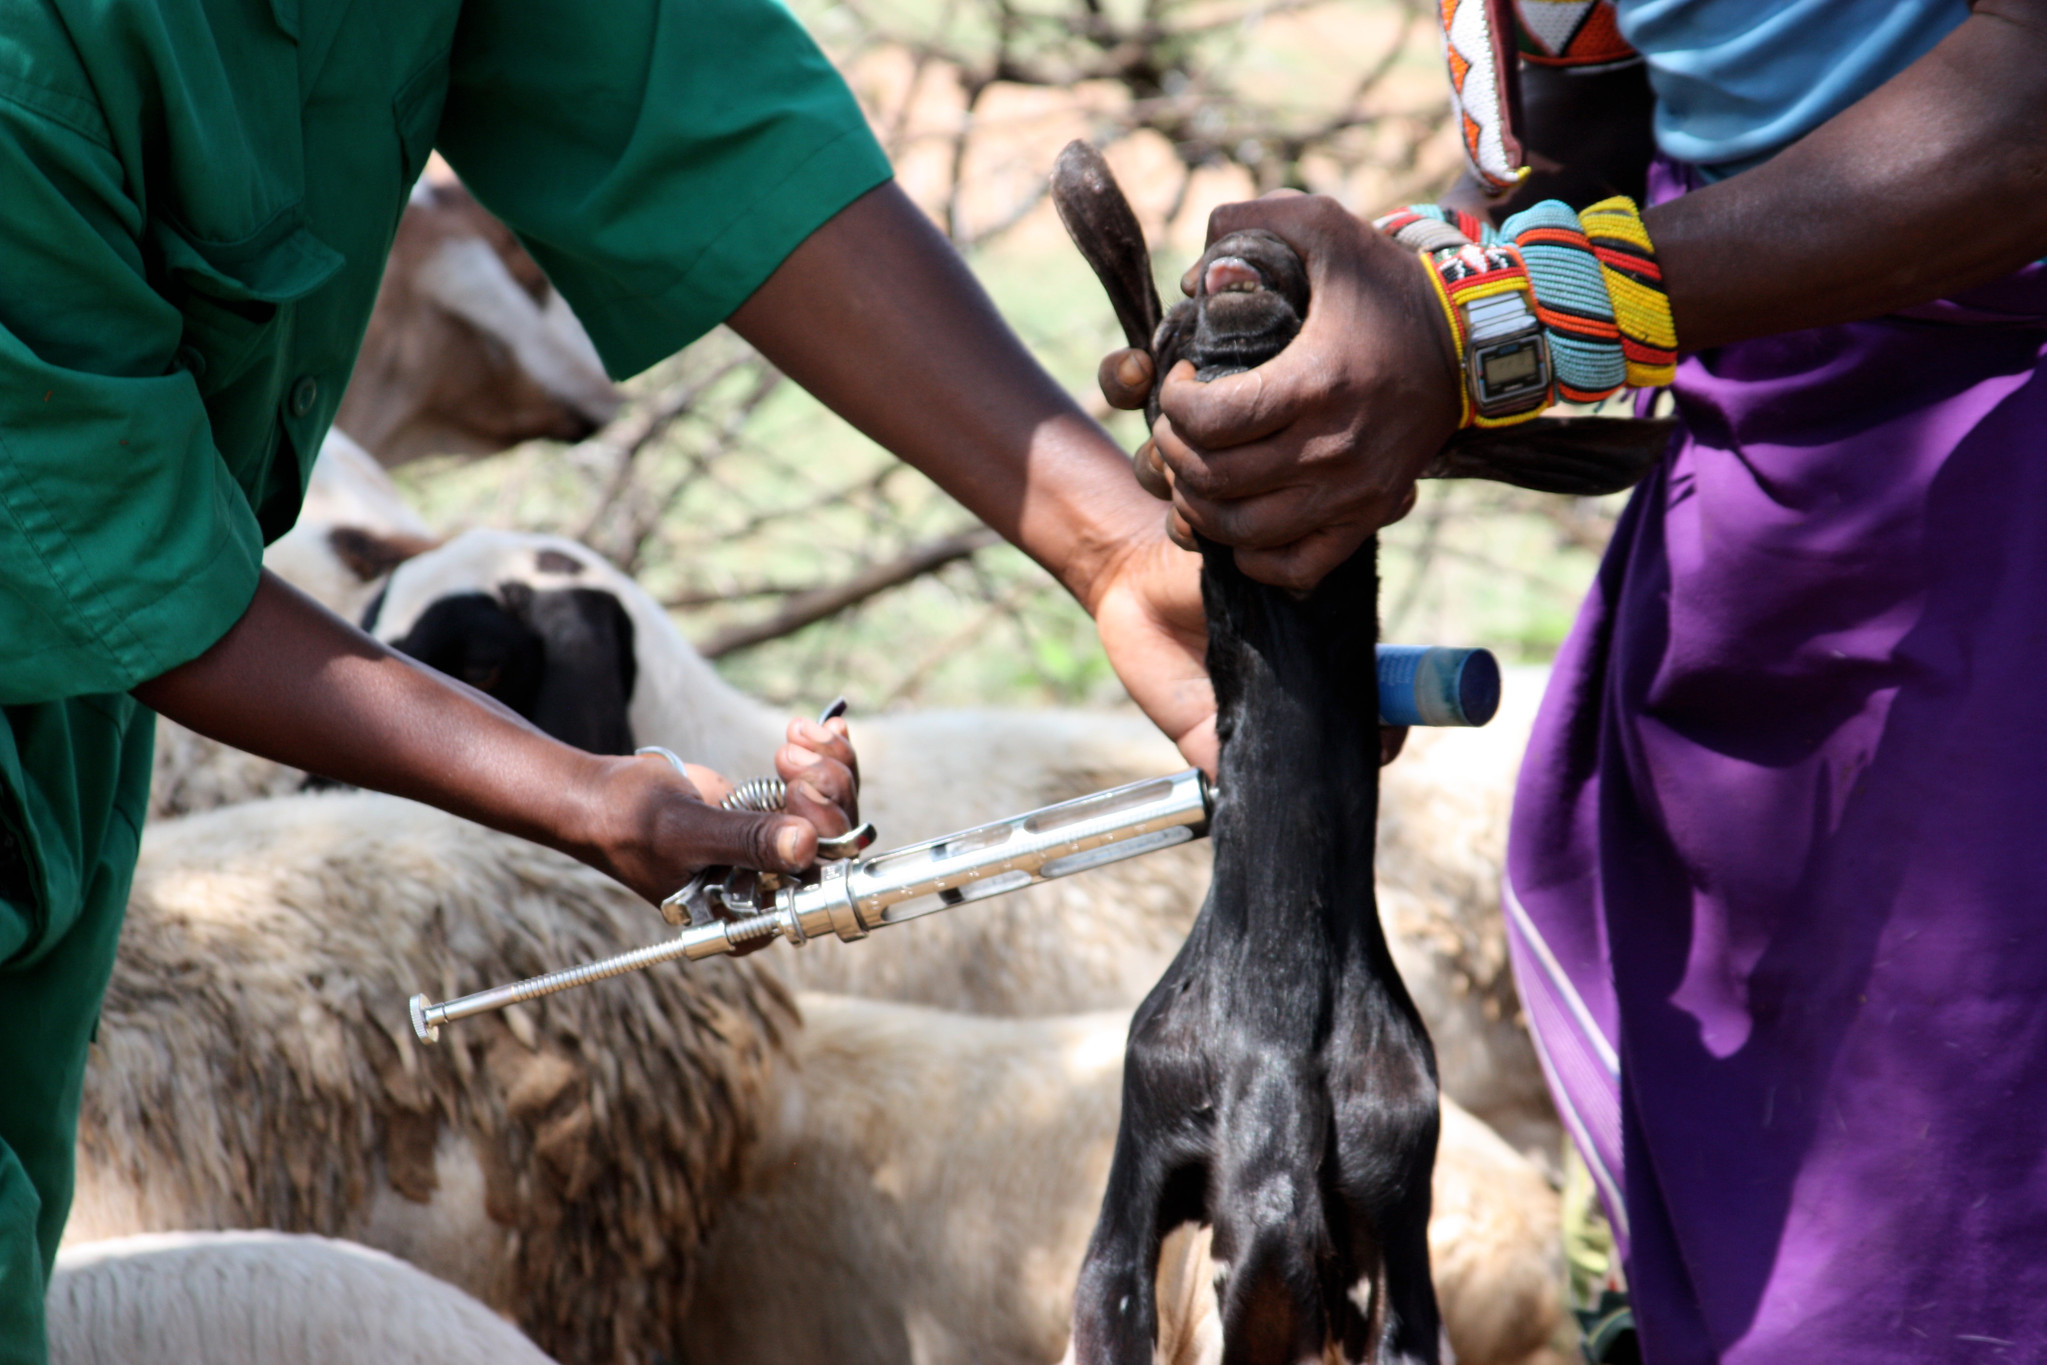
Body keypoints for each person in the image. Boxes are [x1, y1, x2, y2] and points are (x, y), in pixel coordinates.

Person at [0, 0, 1217, 1357]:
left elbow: (695, 104)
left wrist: (1114, 548)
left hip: (62, 765)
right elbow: (129, 560)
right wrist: (588, 799)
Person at [1099, 0, 2047, 1358]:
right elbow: (1588, 180)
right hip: (1773, 590)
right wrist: (1342, 368)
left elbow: (2029, 112)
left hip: (2003, 552)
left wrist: (1486, 324)